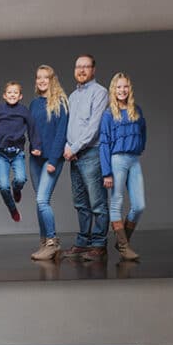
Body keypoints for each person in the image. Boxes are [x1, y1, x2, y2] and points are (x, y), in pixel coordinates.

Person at [61, 54, 109, 261]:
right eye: (78, 66)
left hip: (91, 154)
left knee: (97, 202)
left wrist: (75, 147)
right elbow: (67, 125)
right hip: (74, 155)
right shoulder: (72, 96)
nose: (81, 70)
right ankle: (83, 242)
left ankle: (99, 244)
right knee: (80, 202)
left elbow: (94, 127)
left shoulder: (100, 93)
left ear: (93, 70)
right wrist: (67, 146)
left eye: (86, 67)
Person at [99, 71, 147, 262]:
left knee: (139, 205)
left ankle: (121, 241)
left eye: (125, 86)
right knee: (116, 201)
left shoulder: (137, 110)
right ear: (113, 89)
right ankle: (124, 246)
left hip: (134, 160)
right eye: (118, 87)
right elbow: (104, 143)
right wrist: (106, 172)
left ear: (130, 88)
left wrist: (138, 148)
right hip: (116, 160)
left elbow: (143, 132)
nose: (122, 90)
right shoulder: (109, 114)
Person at [26, 64, 69, 261]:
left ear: (52, 80)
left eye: (46, 77)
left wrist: (53, 160)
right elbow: (31, 130)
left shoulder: (61, 102)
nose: (42, 81)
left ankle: (53, 242)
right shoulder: (34, 104)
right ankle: (44, 242)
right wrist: (32, 146)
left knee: (42, 200)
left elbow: (61, 134)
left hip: (52, 160)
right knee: (39, 201)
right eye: (38, 77)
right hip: (35, 159)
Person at [0, 81, 32, 223]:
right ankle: (12, 208)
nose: (12, 95)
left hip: (17, 153)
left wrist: (36, 146)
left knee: (20, 179)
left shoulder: (24, 111)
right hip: (2, 155)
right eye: (9, 92)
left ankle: (16, 189)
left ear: (20, 96)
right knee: (3, 186)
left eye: (15, 92)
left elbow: (33, 128)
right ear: (4, 95)